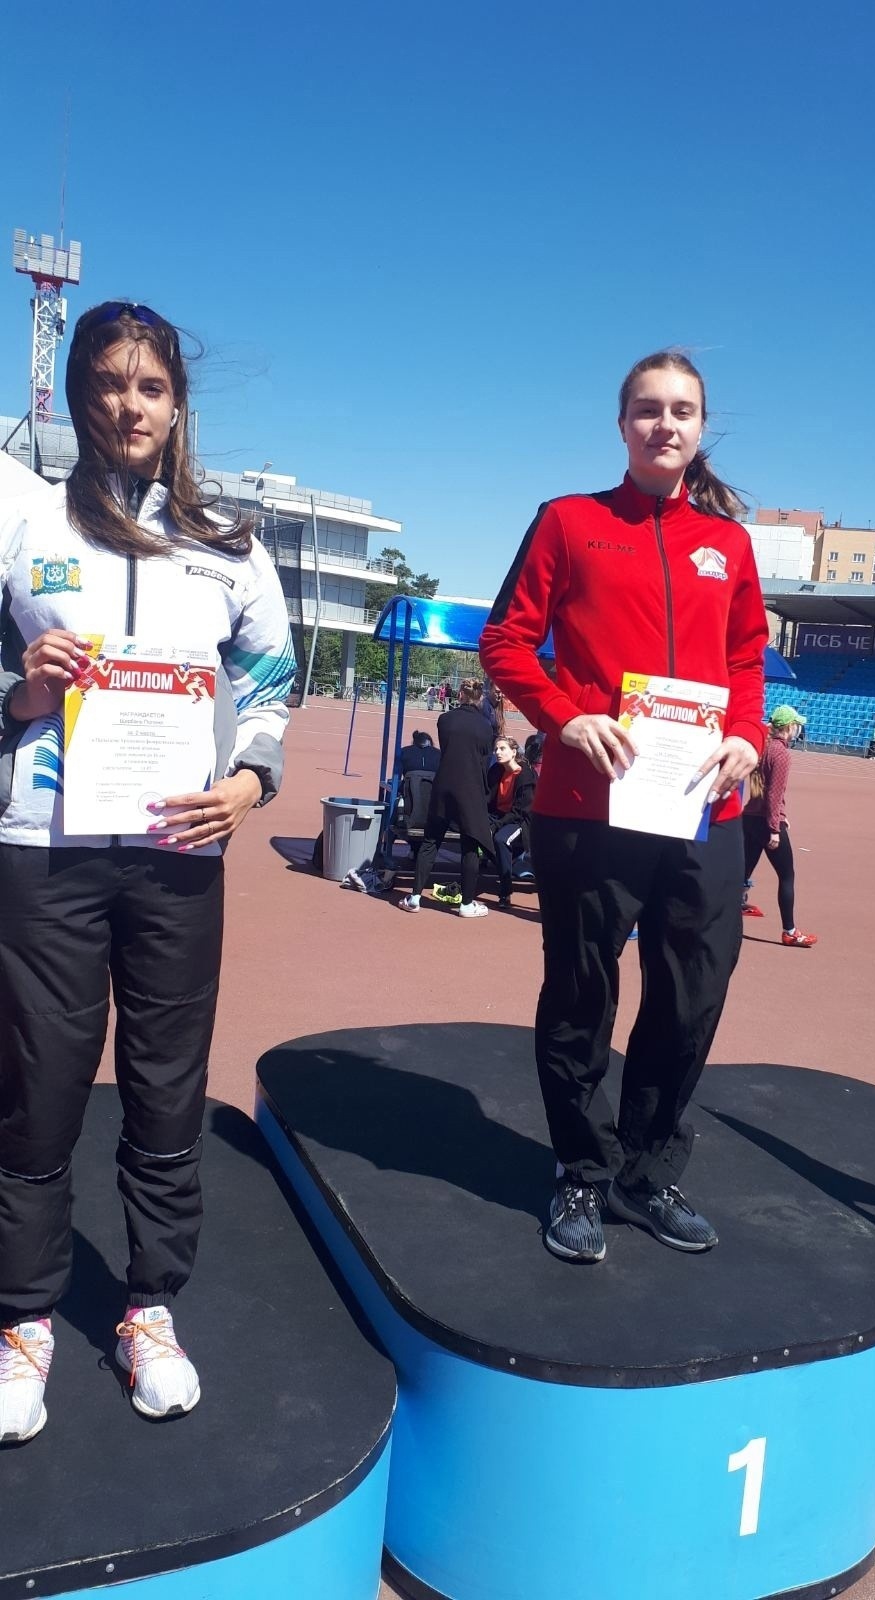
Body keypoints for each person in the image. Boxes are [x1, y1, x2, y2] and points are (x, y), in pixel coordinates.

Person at [0, 301, 294, 1442]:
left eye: (152, 386)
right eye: (111, 383)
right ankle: (24, 1318)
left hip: (178, 854)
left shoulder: (229, 543)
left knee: (167, 1083)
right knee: (37, 1085)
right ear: (81, 393)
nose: (131, 405)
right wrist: (20, 690)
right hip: (44, 853)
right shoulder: (22, 516)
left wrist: (251, 781)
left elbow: (271, 676)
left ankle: (149, 1306)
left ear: (178, 404)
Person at [480, 348, 768, 1264]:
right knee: (582, 991)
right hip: (589, 807)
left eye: (682, 410)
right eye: (649, 409)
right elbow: (507, 641)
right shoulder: (569, 521)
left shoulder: (730, 545)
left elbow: (748, 661)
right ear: (622, 424)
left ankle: (648, 1169)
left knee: (692, 997)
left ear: (701, 426)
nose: (665, 424)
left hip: (704, 810)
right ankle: (580, 1169)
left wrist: (747, 736)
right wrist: (565, 719)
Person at [401, 679, 493, 918]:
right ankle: (467, 904)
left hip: (443, 786)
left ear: (460, 695)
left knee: (431, 840)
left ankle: (414, 897)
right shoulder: (486, 727)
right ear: (480, 698)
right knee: (470, 845)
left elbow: (449, 747)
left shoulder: (445, 720)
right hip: (470, 789)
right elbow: (483, 758)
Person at [741, 707, 818, 947]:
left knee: (742, 873)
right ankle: (790, 931)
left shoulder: (762, 747)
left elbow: (761, 790)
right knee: (786, 875)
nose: (799, 729)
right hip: (766, 822)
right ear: (789, 727)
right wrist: (775, 827)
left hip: (750, 818)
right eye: (797, 725)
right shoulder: (781, 754)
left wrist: (780, 817)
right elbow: (774, 795)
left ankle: (725, 912)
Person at [487, 734, 536, 906]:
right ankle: (509, 861)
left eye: (502, 748)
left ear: (514, 752)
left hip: (519, 820)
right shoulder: (496, 770)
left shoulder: (525, 775)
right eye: (496, 749)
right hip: (499, 815)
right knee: (475, 832)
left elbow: (520, 811)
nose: (498, 752)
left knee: (501, 840)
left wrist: (497, 825)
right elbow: (488, 798)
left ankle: (505, 892)